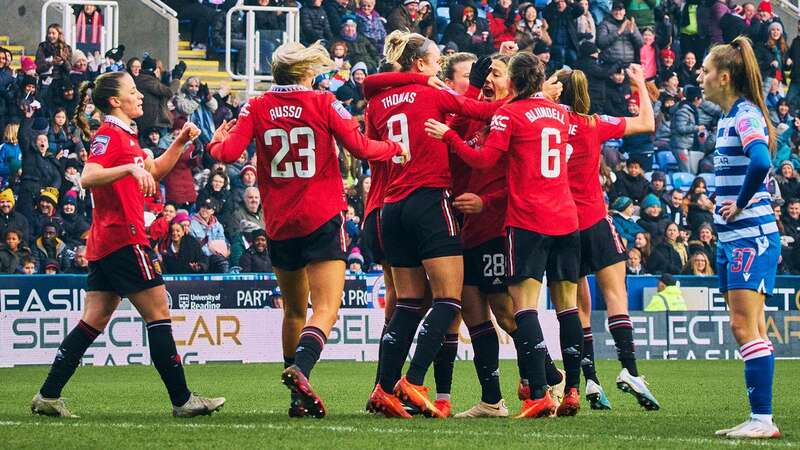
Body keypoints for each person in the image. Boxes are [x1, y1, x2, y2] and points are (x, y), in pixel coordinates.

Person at [207, 41, 406, 419]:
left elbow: (229, 154)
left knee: (294, 310)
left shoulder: (256, 105)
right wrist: (392, 147)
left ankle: (296, 396)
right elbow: (361, 148)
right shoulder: (322, 102)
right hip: (322, 216)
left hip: (279, 223)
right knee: (327, 307)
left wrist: (216, 140)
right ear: (304, 71)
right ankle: (301, 370)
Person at [30, 71, 225, 418]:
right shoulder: (108, 134)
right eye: (133, 92)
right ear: (115, 102)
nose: (140, 97)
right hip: (124, 238)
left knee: (94, 319)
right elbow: (89, 176)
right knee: (158, 312)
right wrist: (129, 171)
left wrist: (179, 142)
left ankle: (47, 395)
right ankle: (182, 400)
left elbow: (154, 172)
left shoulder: (127, 136)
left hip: (109, 242)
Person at [425, 51, 580, 419]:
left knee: (508, 313)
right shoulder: (480, 114)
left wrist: (486, 201)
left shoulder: (509, 115)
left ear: (512, 80)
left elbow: (519, 176)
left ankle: (548, 377)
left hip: (499, 223)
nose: (487, 81)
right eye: (479, 75)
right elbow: (465, 123)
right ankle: (492, 400)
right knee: (475, 311)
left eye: (493, 73)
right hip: (468, 227)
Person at [363, 31, 500, 418]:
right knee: (448, 299)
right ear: (419, 64)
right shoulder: (432, 93)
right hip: (429, 199)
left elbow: (374, 152)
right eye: (436, 61)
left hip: (391, 205)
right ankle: (414, 380)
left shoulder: (377, 103)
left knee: (406, 302)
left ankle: (383, 389)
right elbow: (482, 113)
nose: (439, 67)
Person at [556, 65, 660, 411]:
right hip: (594, 220)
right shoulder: (593, 123)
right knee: (616, 295)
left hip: (560, 224)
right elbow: (646, 123)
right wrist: (639, 84)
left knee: (577, 308)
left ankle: (591, 381)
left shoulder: (547, 121)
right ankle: (630, 371)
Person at [698, 36, 782, 439]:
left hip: (752, 236)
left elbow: (762, 161)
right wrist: (722, 197)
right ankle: (759, 417)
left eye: (706, 70)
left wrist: (740, 203)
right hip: (734, 238)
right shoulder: (728, 119)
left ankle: (763, 420)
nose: (700, 76)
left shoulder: (746, 115)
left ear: (725, 77)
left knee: (743, 326)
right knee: (750, 327)